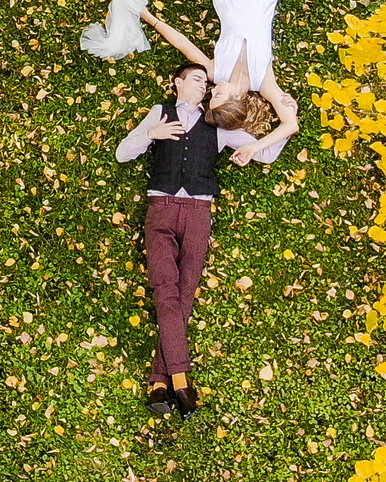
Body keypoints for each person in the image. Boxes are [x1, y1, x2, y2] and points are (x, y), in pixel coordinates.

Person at [114, 60, 292, 417]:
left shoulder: (218, 125)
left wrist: (285, 116)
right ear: (176, 83)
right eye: (196, 80)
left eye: (206, 84)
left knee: (184, 294)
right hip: (161, 207)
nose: (203, 87)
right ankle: (180, 378)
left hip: (198, 213)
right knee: (165, 288)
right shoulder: (159, 113)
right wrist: (151, 135)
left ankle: (159, 382)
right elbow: (122, 153)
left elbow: (268, 151)